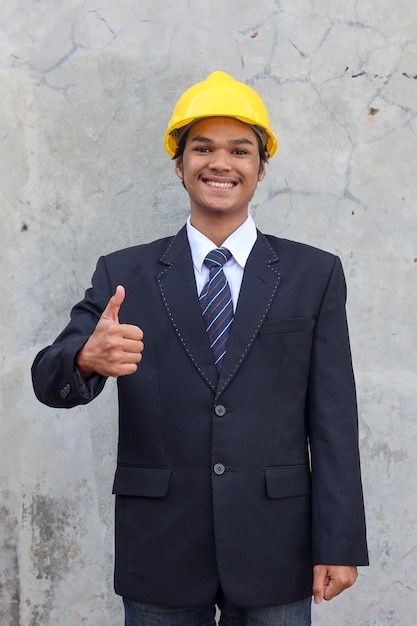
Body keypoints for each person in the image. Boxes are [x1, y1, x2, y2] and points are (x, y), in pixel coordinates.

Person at [32, 70, 368, 626]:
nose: (221, 163)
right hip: (161, 545)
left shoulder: (314, 274)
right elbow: (50, 379)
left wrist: (340, 541)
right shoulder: (125, 275)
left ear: (261, 167)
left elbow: (334, 419)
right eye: (202, 148)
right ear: (179, 163)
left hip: (275, 543)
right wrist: (85, 359)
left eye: (240, 150)